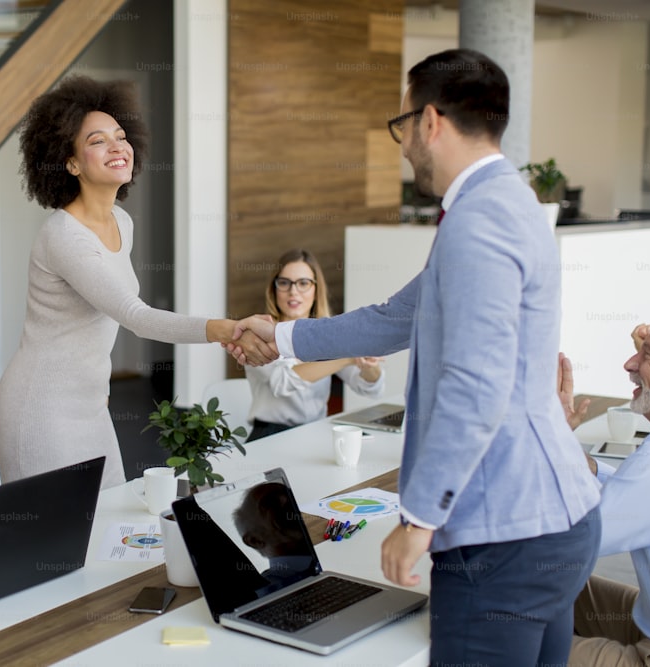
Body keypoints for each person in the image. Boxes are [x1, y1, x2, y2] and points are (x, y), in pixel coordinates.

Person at [229, 49, 601, 664]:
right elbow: (395, 318)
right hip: (550, 524)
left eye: (401, 127)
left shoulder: (479, 222)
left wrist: (420, 520)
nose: (402, 146)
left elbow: (474, 386)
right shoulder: (506, 204)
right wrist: (281, 336)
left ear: (430, 121)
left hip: (502, 535)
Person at [0, 75, 240, 489]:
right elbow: (134, 316)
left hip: (92, 405)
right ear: (70, 163)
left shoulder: (122, 221)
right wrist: (224, 329)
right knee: (56, 544)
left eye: (120, 136)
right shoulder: (64, 236)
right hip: (39, 410)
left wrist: (97, 382)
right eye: (96, 141)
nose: (116, 146)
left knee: (111, 529)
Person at [558, 323, 650, 666]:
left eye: (647, 355)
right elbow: (635, 498)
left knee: (481, 626)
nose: (629, 364)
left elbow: (571, 537)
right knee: (533, 585)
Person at [245, 249, 383, 442]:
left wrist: (369, 364)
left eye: (303, 283)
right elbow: (284, 382)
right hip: (270, 437)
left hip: (315, 433)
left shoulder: (326, 333)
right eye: (284, 283)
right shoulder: (257, 335)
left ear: (316, 290)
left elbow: (370, 389)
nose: (293, 291)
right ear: (274, 289)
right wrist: (348, 357)